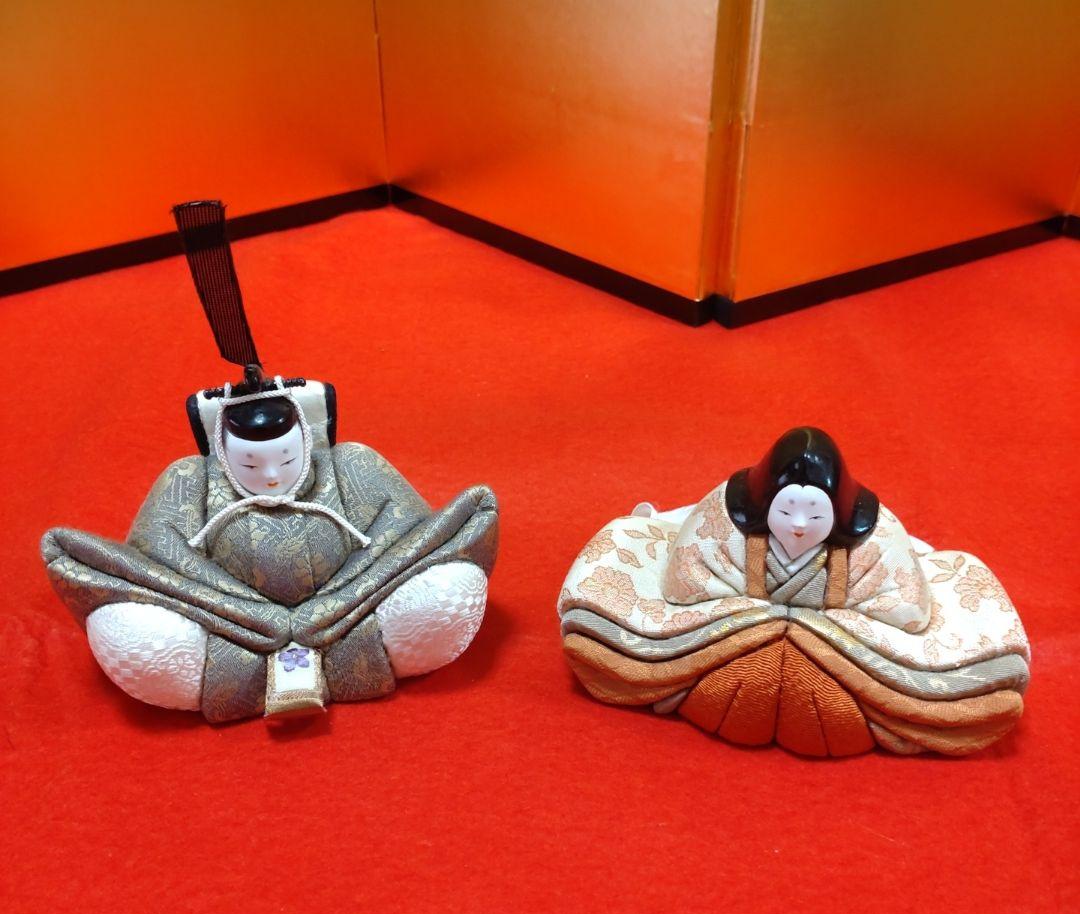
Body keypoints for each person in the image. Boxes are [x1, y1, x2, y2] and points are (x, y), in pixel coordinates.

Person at [40, 199, 497, 724]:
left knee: (448, 587)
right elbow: (159, 563)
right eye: (252, 467)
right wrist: (248, 613)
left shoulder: (350, 464)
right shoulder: (188, 480)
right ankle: (235, 673)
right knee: (134, 631)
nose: (273, 476)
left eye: (285, 459)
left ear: (307, 437)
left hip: (357, 618)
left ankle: (356, 653)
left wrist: (335, 604)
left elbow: (406, 539)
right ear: (221, 451)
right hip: (225, 635)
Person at [559, 427, 1028, 756]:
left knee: (934, 691)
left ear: (839, 512)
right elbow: (687, 588)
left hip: (849, 653)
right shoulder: (720, 518)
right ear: (764, 504)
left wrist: (805, 634)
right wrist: (764, 628)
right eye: (786, 511)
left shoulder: (878, 538)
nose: (800, 525)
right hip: (718, 637)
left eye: (815, 514)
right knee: (620, 643)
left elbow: (905, 613)